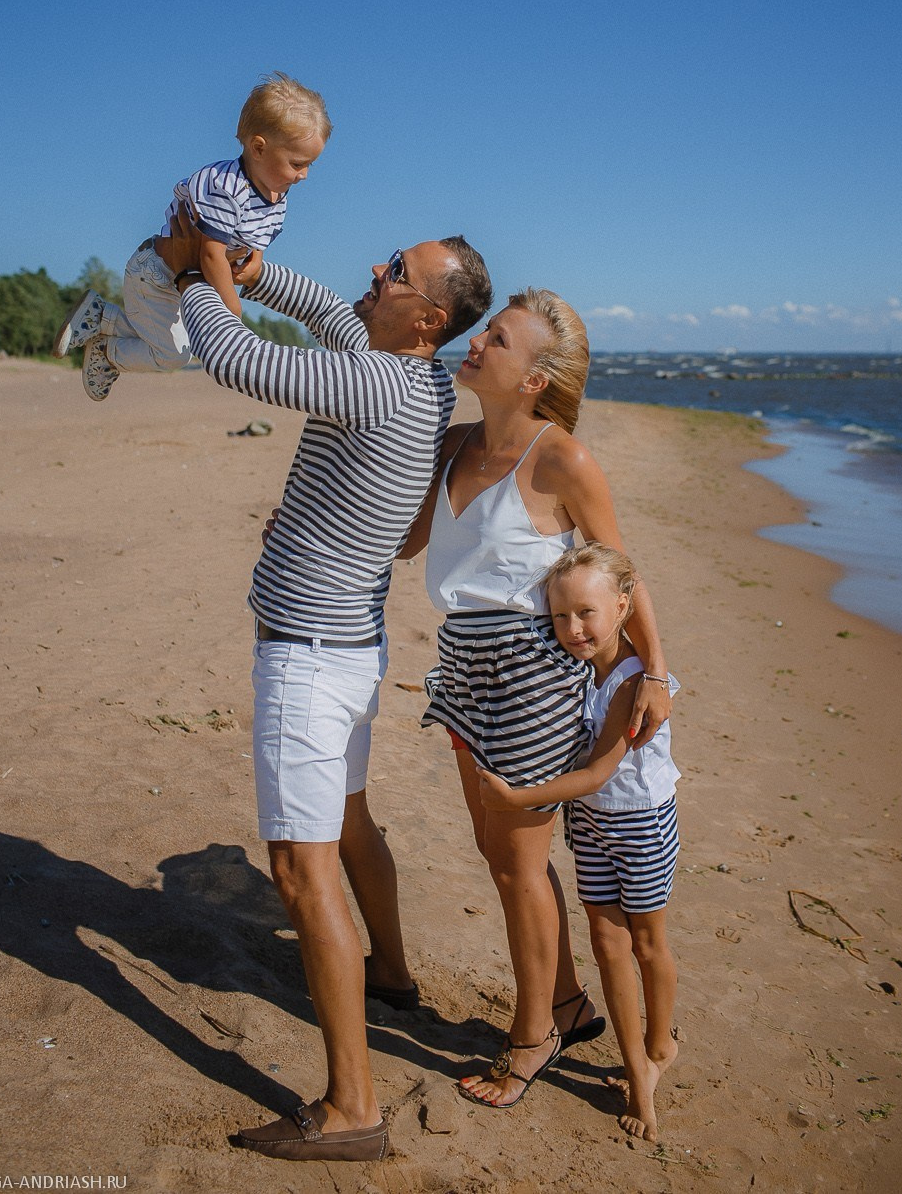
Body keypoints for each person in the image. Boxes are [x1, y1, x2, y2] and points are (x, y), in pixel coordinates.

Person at [162, 211, 492, 1162]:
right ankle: (391, 973)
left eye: (399, 271)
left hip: (308, 659)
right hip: (349, 647)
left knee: (301, 872)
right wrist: (254, 268)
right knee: (349, 822)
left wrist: (194, 272)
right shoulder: (417, 376)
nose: (379, 270)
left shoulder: (376, 383)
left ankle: (353, 1109)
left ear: (427, 319)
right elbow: (323, 310)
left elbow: (240, 361)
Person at [398, 289, 672, 1108]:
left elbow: (622, 573)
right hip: (461, 669)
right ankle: (568, 1003)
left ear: (533, 379)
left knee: (520, 869)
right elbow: (406, 540)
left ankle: (532, 1037)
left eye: (498, 338)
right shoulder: (452, 444)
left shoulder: (562, 461)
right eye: (486, 330)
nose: (478, 341)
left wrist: (655, 672)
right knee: (498, 856)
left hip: (531, 678)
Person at [477, 543, 680, 1141]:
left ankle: (659, 1049)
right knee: (607, 944)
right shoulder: (573, 669)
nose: (572, 629)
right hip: (590, 825)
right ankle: (637, 1068)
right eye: (560, 615)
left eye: (587, 613)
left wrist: (517, 798)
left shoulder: (634, 680)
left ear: (623, 607)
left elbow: (597, 772)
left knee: (647, 944)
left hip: (641, 824)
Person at [53, 73, 330, 401]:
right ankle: (108, 352)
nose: (304, 175)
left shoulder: (276, 194)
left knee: (179, 345)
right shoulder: (226, 189)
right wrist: (232, 310)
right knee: (173, 354)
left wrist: (255, 259)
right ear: (258, 148)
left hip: (181, 282)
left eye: (310, 165)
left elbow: (256, 238)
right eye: (297, 164)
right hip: (157, 274)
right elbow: (211, 254)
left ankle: (101, 316)